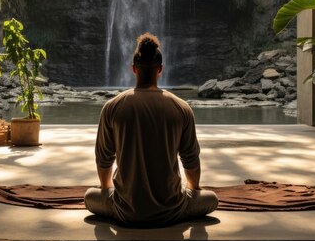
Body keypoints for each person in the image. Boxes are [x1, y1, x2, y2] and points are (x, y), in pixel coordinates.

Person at [84, 33, 218, 226]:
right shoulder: (181, 108)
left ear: (133, 69)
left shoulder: (112, 107)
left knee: (90, 196)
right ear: (160, 69)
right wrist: (194, 191)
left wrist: (106, 191)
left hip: (124, 210)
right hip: (173, 210)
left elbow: (104, 158)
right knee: (211, 198)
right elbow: (190, 159)